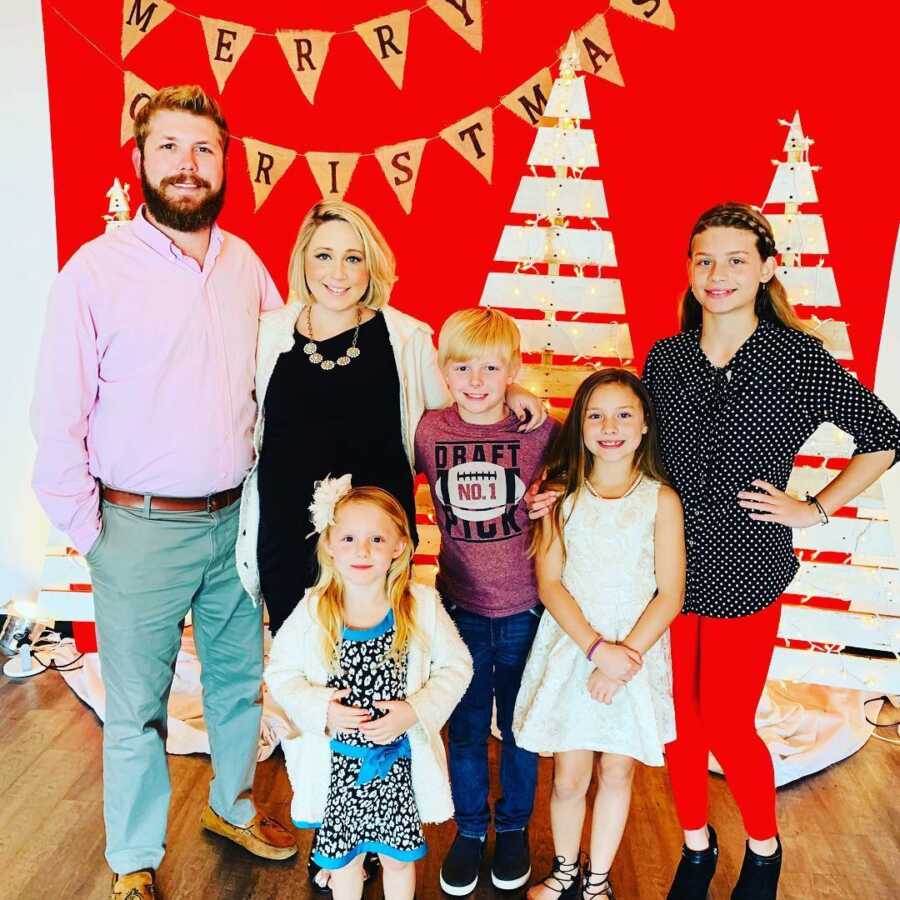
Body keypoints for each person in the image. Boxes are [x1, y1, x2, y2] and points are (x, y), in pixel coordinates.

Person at [30, 85, 296, 900]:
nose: (188, 165)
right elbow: (56, 415)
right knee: (136, 707)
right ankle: (134, 860)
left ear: (226, 164)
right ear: (141, 161)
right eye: (172, 148)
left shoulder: (245, 264)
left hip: (234, 522)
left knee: (234, 683)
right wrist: (97, 531)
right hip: (137, 528)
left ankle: (231, 805)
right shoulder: (96, 271)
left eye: (204, 150)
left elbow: (288, 373)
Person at [642, 203, 900, 900]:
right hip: (666, 565)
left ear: (766, 269)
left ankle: (763, 848)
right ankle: (696, 847)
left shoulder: (795, 358)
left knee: (726, 720)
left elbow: (883, 435)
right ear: (689, 270)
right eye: (704, 260)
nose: (717, 274)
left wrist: (814, 508)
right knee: (677, 725)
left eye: (734, 260)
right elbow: (632, 448)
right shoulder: (665, 357)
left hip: (747, 566)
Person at [236, 200, 545, 640]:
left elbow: (460, 403)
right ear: (303, 260)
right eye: (323, 256)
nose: (337, 273)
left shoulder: (405, 338)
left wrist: (509, 389)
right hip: (287, 532)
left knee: (375, 658)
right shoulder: (268, 332)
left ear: (370, 266)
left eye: (352, 258)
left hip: (377, 540)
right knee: (301, 661)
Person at [514, 368, 684, 900]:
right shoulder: (560, 498)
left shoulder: (660, 500)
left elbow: (670, 594)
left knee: (616, 771)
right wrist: (595, 650)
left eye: (624, 414)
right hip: (575, 649)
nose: (610, 426)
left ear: (644, 425)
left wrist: (624, 657)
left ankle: (597, 880)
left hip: (636, 653)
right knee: (568, 775)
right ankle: (565, 869)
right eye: (596, 415)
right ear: (581, 426)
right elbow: (550, 584)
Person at [265, 479, 473, 900]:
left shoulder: (421, 605)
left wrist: (414, 710)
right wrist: (322, 708)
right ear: (330, 545)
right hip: (339, 766)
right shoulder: (314, 609)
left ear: (399, 545)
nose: (362, 551)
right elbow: (281, 673)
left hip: (396, 764)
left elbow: (457, 665)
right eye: (349, 538)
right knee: (345, 863)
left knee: (398, 858)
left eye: (377, 539)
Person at [414, 308, 559, 895]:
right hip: (460, 608)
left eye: (492, 368)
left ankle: (515, 827)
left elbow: (596, 459)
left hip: (527, 606)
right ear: (443, 371)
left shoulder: (539, 430)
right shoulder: (429, 431)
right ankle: (471, 831)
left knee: (522, 727)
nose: (476, 380)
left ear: (513, 370)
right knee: (468, 728)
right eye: (462, 367)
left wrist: (561, 490)